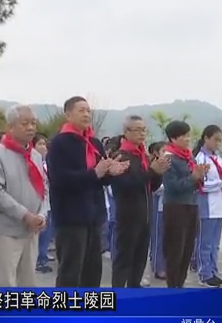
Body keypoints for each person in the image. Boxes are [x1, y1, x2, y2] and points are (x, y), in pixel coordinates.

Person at [0, 105, 48, 323]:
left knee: (27, 283)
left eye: (33, 122)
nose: (31, 127)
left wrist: (42, 214)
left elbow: (44, 188)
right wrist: (25, 215)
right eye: (25, 123)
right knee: (5, 284)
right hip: (8, 229)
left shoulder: (36, 156)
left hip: (32, 230)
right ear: (10, 127)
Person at [48, 97, 128, 294]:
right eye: (81, 110)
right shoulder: (59, 143)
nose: (87, 114)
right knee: (70, 272)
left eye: (88, 110)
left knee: (93, 272)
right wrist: (96, 173)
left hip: (94, 216)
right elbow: (59, 180)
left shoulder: (94, 142)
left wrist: (111, 173)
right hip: (70, 217)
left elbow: (99, 180)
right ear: (68, 115)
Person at [111, 116, 167, 288]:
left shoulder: (143, 155)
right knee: (124, 259)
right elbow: (125, 185)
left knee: (140, 257)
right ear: (126, 132)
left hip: (145, 214)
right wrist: (151, 172)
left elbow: (150, 185)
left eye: (144, 129)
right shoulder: (121, 156)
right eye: (137, 130)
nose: (142, 133)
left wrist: (158, 172)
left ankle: (134, 288)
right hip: (128, 215)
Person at [162, 121, 205, 288]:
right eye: (184, 136)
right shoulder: (168, 158)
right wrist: (193, 177)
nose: (188, 139)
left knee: (187, 249)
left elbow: (194, 181)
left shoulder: (188, 156)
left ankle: (180, 283)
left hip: (191, 205)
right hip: (175, 208)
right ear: (173, 138)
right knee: (175, 250)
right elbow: (172, 187)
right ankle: (172, 285)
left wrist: (200, 175)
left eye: (189, 135)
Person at [194, 125, 222, 287]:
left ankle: (213, 270)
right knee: (205, 242)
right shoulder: (200, 159)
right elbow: (201, 185)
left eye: (220, 140)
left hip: (220, 205)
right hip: (207, 205)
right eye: (215, 140)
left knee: (214, 243)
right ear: (206, 138)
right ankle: (204, 273)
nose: (218, 143)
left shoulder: (218, 159)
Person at [32, 133, 55, 273]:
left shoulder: (48, 164)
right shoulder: (32, 165)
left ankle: (42, 257)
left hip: (49, 202)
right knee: (38, 233)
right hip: (36, 203)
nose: (43, 147)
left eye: (44, 144)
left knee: (47, 232)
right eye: (39, 144)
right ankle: (36, 260)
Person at [148, 141, 167, 280]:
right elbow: (154, 187)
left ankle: (165, 266)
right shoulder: (153, 167)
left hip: (169, 206)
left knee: (166, 238)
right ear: (156, 153)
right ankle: (157, 267)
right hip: (157, 205)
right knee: (157, 236)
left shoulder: (170, 165)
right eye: (164, 151)